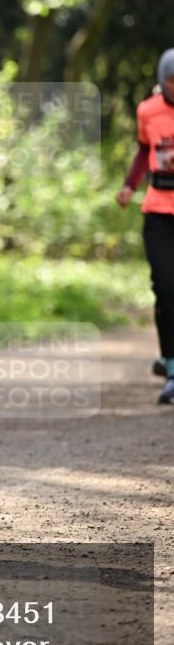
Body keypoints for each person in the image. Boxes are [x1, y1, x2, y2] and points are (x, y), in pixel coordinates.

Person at [116, 48, 174, 406]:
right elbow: (142, 151)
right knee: (166, 290)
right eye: (171, 81)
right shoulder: (147, 111)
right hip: (158, 213)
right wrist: (128, 185)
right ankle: (170, 365)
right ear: (162, 80)